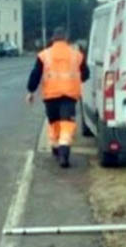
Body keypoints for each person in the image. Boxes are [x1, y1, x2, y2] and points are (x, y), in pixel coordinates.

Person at [26, 26, 89, 167]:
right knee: (67, 123)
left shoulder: (44, 55)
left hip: (51, 96)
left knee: (54, 122)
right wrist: (77, 79)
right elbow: (85, 74)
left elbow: (35, 74)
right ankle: (64, 154)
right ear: (66, 38)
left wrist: (31, 91)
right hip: (69, 95)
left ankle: (55, 148)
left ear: (53, 38)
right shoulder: (76, 55)